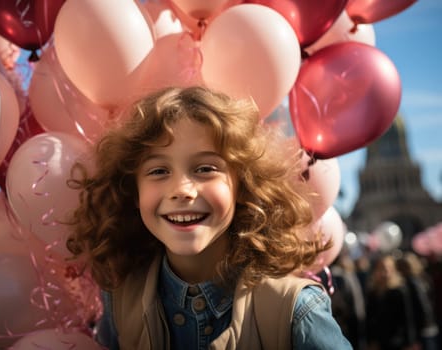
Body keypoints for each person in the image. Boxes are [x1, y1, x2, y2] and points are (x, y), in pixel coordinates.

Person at [67, 86, 352, 349]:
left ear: (243, 185)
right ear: (134, 192)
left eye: (205, 168)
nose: (181, 190)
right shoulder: (119, 304)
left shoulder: (295, 311)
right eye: (158, 171)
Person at [365, 254, 417, 350]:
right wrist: (370, 341)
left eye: (387, 268)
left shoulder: (399, 291)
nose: (384, 273)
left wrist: (410, 343)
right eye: (380, 269)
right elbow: (370, 320)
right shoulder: (372, 293)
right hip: (379, 343)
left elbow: (408, 319)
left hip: (397, 343)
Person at [396, 252, 440, 350]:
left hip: (423, 328)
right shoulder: (420, 279)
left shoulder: (412, 282)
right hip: (428, 325)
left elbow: (422, 305)